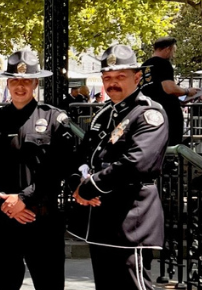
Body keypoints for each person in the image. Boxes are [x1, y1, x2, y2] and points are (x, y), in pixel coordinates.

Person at [69, 44, 167, 290]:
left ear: (137, 77)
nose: (112, 83)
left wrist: (89, 187)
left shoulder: (148, 113)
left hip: (130, 219)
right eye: (107, 78)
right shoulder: (104, 115)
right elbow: (84, 155)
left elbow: (137, 162)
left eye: (120, 77)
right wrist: (76, 182)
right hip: (101, 219)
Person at [0, 50, 76, 290]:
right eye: (15, 81)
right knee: (6, 284)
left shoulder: (54, 119)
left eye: (26, 81)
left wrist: (25, 199)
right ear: (8, 83)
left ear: (35, 83)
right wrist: (4, 204)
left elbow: (59, 169)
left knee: (49, 284)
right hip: (4, 220)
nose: (20, 86)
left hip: (42, 220)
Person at [139, 36, 196, 146]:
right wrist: (187, 91)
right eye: (173, 51)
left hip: (148, 110)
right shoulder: (163, 64)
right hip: (167, 112)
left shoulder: (144, 65)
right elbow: (169, 88)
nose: (173, 55)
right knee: (171, 144)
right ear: (167, 49)